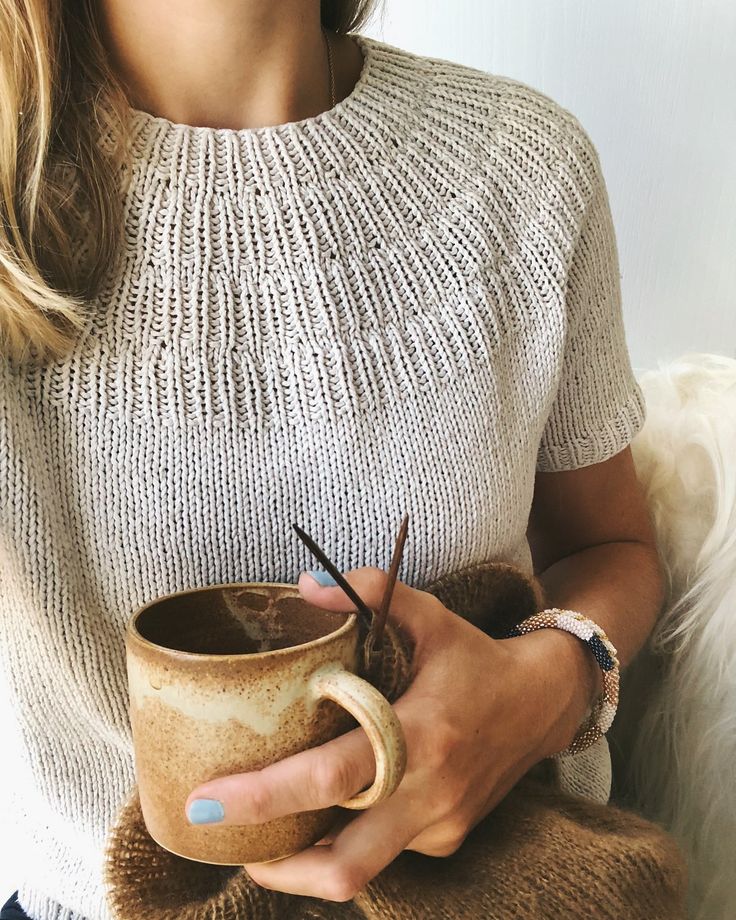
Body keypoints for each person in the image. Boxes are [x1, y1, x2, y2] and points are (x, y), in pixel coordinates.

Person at [0, 0, 665, 917]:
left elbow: (612, 549)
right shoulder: (11, 218)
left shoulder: (527, 163)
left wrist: (542, 691)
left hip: (519, 887)